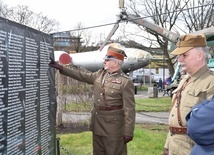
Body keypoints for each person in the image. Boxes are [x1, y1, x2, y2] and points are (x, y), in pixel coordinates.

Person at [49, 43, 136, 155]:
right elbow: (81, 75)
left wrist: (128, 132)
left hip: (114, 128)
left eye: (107, 60)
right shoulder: (100, 74)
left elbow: (130, 109)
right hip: (98, 124)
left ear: (115, 63)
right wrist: (62, 68)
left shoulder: (125, 82)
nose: (104, 61)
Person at [162, 34, 214, 155]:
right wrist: (167, 145)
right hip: (174, 145)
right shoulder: (185, 80)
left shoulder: (211, 82)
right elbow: (175, 118)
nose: (179, 59)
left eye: (184, 55)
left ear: (200, 55)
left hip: (194, 148)